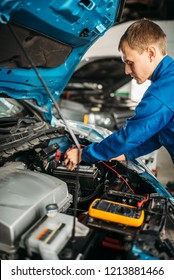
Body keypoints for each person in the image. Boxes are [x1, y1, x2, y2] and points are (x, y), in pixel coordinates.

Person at [64, 19, 174, 171]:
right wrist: (126, 153)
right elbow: (157, 136)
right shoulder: (169, 80)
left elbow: (128, 137)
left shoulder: (162, 91)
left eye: (129, 62)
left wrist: (83, 154)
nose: (126, 71)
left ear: (150, 53)